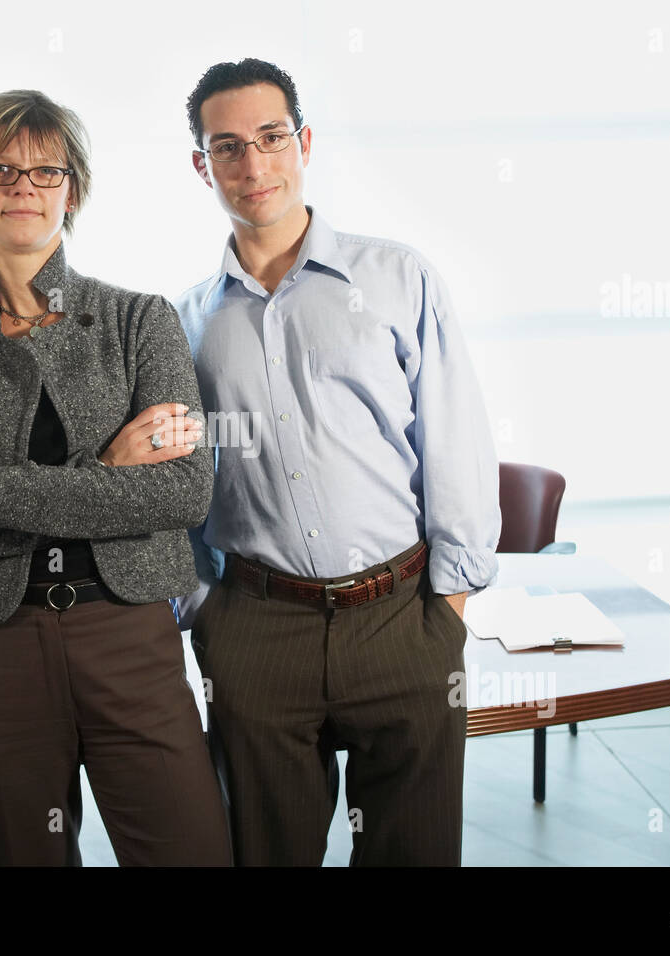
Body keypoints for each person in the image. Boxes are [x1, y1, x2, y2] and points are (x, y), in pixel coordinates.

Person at [0, 89, 231, 867]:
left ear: (73, 189)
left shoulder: (140, 321)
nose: (23, 189)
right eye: (0, 170)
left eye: (46, 172)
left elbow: (181, 493)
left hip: (129, 631)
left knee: (191, 851)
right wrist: (106, 470)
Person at [173, 59, 502, 866]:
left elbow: (455, 442)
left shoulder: (397, 278)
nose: (253, 165)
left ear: (304, 141)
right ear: (201, 165)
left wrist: (448, 609)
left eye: (271, 138)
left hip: (403, 618)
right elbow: (173, 484)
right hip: (255, 632)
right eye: (227, 148)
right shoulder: (186, 322)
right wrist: (201, 610)